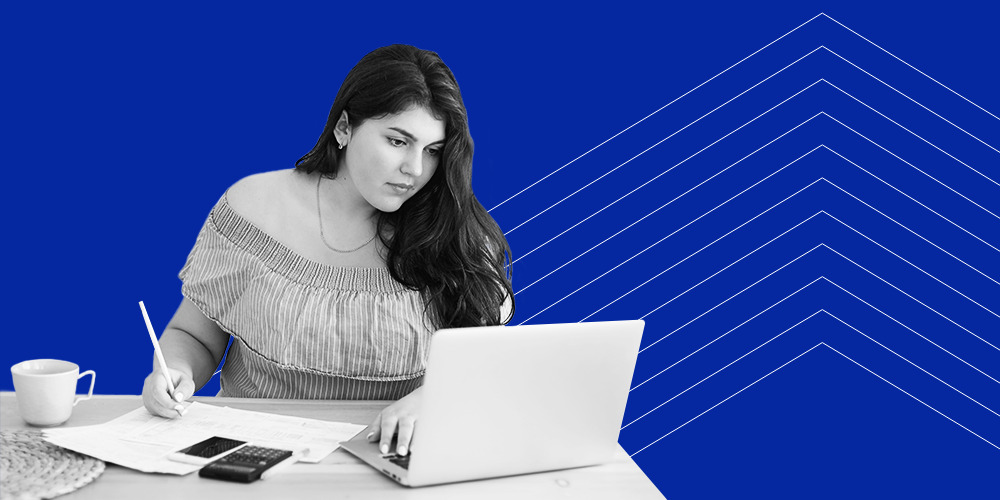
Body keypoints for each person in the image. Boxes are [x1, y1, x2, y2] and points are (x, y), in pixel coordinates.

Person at [141, 44, 514, 458]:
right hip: (251, 453)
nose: (415, 169)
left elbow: (488, 366)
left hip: (391, 459)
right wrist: (175, 371)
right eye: (397, 140)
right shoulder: (251, 207)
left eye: (432, 151)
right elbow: (194, 335)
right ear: (343, 128)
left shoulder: (458, 235)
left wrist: (435, 398)